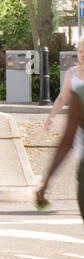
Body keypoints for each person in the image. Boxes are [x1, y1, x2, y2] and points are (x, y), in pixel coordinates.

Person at [36, 66, 84, 221]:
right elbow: (62, 97)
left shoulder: (80, 94)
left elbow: (66, 141)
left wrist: (46, 183)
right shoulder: (75, 80)